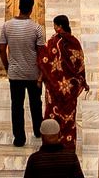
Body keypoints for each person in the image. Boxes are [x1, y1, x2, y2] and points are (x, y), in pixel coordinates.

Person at [0, 0, 44, 146]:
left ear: (19, 7)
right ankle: (38, 130)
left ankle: (19, 138)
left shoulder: (7, 26)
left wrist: (7, 66)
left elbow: (2, 49)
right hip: (33, 74)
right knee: (36, 104)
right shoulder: (37, 28)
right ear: (31, 9)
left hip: (15, 73)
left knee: (17, 106)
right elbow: (41, 54)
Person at [37, 13, 88, 146]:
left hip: (55, 87)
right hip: (70, 88)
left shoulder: (54, 42)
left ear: (59, 27)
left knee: (53, 114)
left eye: (54, 25)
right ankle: (68, 143)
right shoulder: (75, 42)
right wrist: (82, 80)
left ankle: (51, 141)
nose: (53, 27)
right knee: (69, 117)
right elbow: (80, 62)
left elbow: (45, 60)